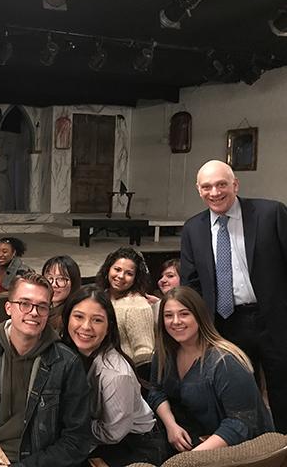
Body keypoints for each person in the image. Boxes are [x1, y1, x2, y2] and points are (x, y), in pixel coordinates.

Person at [180, 159, 287, 433]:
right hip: (226, 324)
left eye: (221, 184)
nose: (214, 192)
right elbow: (191, 284)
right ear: (198, 190)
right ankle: (254, 451)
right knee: (240, 395)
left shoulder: (271, 213)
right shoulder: (193, 228)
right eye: (207, 187)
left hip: (274, 319)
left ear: (235, 185)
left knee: (282, 389)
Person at [0, 272, 91, 467]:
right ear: (8, 307)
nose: (33, 312)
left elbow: (76, 440)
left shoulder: (67, 363)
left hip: (35, 461)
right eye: (25, 303)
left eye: (41, 306)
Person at [148, 286, 274, 453]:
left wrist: (191, 459)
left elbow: (241, 423)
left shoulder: (226, 362)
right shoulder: (165, 353)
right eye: (168, 315)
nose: (176, 321)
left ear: (200, 317)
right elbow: (156, 391)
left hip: (238, 450)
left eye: (184, 314)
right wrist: (171, 425)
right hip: (192, 440)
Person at [62, 285, 164, 467]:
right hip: (91, 433)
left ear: (109, 327)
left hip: (131, 444)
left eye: (97, 320)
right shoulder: (69, 352)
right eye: (78, 316)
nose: (86, 327)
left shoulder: (116, 374)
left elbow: (113, 433)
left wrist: (67, 427)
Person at [96, 247, 154, 370]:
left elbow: (145, 352)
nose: (121, 276)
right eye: (117, 269)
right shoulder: (99, 296)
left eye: (129, 273)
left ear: (136, 278)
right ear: (108, 269)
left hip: (123, 374)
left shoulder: (138, 306)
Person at [41, 255, 81, 334]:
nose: (54, 285)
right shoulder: (40, 306)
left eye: (61, 279)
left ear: (73, 283)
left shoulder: (71, 316)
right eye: (49, 278)